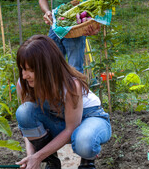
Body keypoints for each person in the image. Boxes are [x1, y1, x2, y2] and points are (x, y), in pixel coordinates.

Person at [15, 35, 111, 169]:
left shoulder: (70, 86)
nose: (24, 75)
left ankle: (87, 162)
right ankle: (51, 162)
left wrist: (38, 156)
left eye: (31, 70)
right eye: (22, 69)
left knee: (84, 141)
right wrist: (31, 157)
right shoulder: (24, 84)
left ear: (47, 68)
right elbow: (27, 127)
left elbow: (71, 128)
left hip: (89, 117)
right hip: (59, 120)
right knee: (24, 112)